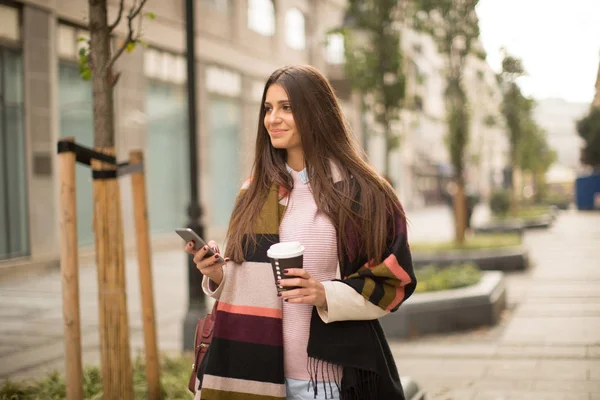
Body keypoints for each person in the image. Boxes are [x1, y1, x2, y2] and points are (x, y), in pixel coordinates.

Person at [185, 65, 417, 400]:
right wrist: (217, 273)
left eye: (287, 107)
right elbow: (244, 281)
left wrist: (325, 294)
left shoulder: (362, 194)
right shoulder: (253, 193)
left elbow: (395, 281)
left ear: (316, 113)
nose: (272, 119)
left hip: (324, 382)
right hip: (255, 375)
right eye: (268, 108)